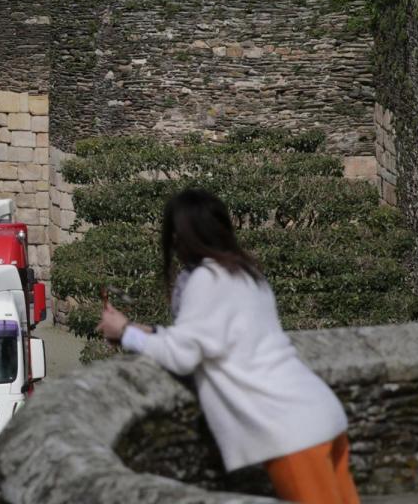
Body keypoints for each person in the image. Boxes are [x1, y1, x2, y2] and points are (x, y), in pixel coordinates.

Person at [97, 188, 359, 504]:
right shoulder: (246, 273)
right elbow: (203, 336)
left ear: (180, 238)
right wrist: (147, 330)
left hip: (290, 431)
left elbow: (183, 356)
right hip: (317, 411)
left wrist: (125, 333)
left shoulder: (207, 279)